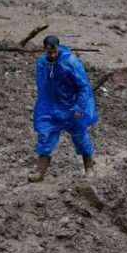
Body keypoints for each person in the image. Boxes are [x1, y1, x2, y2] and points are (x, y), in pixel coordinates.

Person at [30, 35, 98, 182]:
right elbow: (43, 86)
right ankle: (40, 171)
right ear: (44, 50)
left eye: (54, 52)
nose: (52, 55)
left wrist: (79, 107)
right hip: (50, 105)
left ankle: (89, 166)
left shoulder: (70, 62)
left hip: (71, 104)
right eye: (49, 52)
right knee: (45, 135)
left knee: (80, 135)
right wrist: (44, 106)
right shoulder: (42, 63)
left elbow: (83, 87)